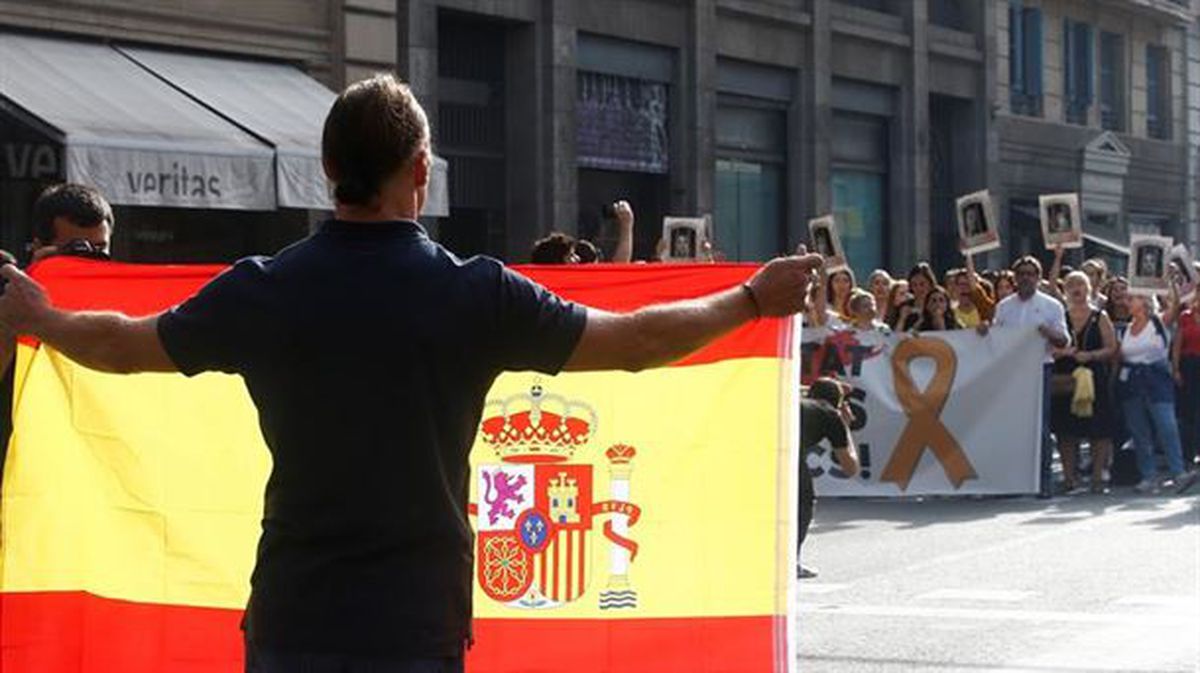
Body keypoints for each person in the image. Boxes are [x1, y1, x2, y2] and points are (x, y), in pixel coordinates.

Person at [0, 74, 823, 672]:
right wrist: (750, 298)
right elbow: (639, 341)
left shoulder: (267, 288)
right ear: (419, 171)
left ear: (329, 170)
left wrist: (42, 317)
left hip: (294, 614)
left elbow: (123, 345)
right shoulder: (472, 292)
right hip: (414, 623)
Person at [0, 183, 116, 479]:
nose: (89, 258)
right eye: (76, 248)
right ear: (40, 247)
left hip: (81, 473)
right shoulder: (13, 298)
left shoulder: (117, 307)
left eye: (100, 249)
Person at [984, 256, 1069, 499]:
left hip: (1039, 369)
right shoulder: (1004, 307)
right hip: (1011, 374)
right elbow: (996, 339)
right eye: (1021, 273)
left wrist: (1047, 332)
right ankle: (1012, 482)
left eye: (1031, 273)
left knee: (1040, 428)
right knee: (1011, 427)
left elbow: (1064, 340)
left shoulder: (1052, 306)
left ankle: (1043, 482)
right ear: (1015, 277)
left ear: (1038, 277)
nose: (1026, 277)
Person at [1050, 272, 1118, 494]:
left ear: (1089, 288)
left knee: (1099, 427)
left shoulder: (1100, 316)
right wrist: (1061, 352)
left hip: (1093, 375)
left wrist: (1091, 356)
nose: (1076, 289)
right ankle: (1070, 478)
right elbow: (1049, 347)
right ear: (1065, 290)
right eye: (1071, 285)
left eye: (1080, 284)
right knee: (1065, 428)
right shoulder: (1060, 316)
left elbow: (1111, 347)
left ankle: (1097, 477)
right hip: (1066, 375)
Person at [1118, 295, 1195, 493]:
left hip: (1156, 380)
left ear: (1144, 302)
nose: (1128, 302)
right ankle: (1148, 476)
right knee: (1139, 430)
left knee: (1166, 425)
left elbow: (1176, 305)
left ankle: (1178, 472)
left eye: (1132, 299)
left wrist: (1172, 284)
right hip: (1132, 382)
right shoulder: (1126, 329)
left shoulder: (1158, 322)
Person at [798, 377, 859, 579]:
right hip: (786, 455)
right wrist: (845, 425)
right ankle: (791, 561)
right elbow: (851, 467)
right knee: (803, 502)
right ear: (839, 404)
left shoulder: (796, 401)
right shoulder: (830, 414)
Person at [1171, 289, 1200, 473]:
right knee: (1188, 410)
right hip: (1188, 365)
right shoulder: (1186, 316)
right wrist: (1175, 369)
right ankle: (1188, 453)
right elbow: (1177, 345)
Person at [895, 263, 937, 332]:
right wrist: (902, 319)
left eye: (922, 284)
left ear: (930, 284)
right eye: (914, 284)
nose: (918, 288)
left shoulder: (938, 304)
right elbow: (895, 335)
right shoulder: (903, 307)